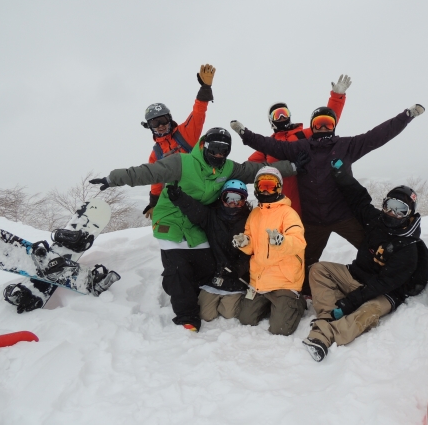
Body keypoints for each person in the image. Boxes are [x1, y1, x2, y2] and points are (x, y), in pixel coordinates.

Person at [89, 128, 307, 332]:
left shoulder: (227, 168)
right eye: (215, 148)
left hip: (198, 219)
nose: (219, 154)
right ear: (204, 145)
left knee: (207, 265)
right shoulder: (181, 163)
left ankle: (191, 291)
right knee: (179, 267)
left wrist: (292, 167)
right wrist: (113, 178)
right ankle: (187, 315)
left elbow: (255, 171)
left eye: (224, 150)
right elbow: (148, 172)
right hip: (172, 219)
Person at [230, 103, 426, 296]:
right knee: (303, 259)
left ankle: (394, 279)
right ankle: (302, 293)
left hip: (343, 216)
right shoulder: (301, 148)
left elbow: (377, 136)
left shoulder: (346, 146)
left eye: (328, 123)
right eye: (319, 123)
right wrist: (245, 134)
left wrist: (406, 116)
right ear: (312, 126)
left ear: (334, 126)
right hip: (313, 220)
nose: (323, 127)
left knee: (371, 247)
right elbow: (270, 145)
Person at [302, 161, 428, 362]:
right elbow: (359, 199)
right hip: (356, 276)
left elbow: (382, 284)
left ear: (409, 215)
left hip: (384, 293)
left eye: (401, 210)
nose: (393, 213)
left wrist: (349, 303)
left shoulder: (408, 249)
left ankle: (325, 334)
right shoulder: (376, 221)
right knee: (318, 269)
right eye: (390, 206)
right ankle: (327, 316)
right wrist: (341, 175)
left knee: (367, 312)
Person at [247, 74, 352, 216]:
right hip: (278, 204)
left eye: (284, 113)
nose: (282, 117)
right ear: (271, 120)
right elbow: (248, 168)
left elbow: (326, 123)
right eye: (277, 115)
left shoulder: (302, 136)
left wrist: (336, 97)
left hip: (307, 202)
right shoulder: (268, 146)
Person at [232, 167, 307, 336]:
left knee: (280, 329)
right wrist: (244, 242)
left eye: (270, 186)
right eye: (262, 186)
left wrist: (282, 241)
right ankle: (274, 306)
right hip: (260, 280)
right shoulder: (255, 214)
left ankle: (296, 303)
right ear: (256, 188)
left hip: (284, 281)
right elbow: (251, 244)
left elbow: (298, 242)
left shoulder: (288, 213)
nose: (266, 191)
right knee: (245, 319)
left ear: (278, 188)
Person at [167, 179, 252, 321]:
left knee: (229, 313)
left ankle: (235, 300)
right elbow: (194, 209)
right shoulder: (212, 216)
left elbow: (251, 252)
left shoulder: (249, 220)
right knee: (206, 315)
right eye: (229, 198)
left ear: (244, 201)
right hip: (214, 276)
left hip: (235, 278)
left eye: (239, 199)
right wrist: (179, 197)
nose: (233, 203)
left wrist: (238, 269)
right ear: (222, 198)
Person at [142, 64, 216, 219]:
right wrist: (154, 202)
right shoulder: (156, 153)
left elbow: (198, 113)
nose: (160, 125)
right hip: (181, 198)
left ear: (169, 119)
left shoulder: (185, 133)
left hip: (204, 189)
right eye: (155, 123)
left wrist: (205, 88)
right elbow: (156, 179)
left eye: (163, 120)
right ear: (150, 127)